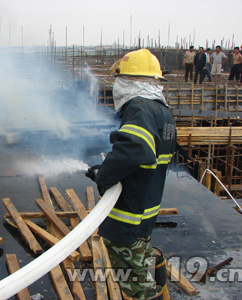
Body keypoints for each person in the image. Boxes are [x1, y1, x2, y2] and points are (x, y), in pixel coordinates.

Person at [87, 49, 176, 300]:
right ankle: (161, 287)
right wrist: (107, 169)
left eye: (118, 81)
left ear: (128, 82)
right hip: (146, 212)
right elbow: (145, 157)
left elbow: (134, 149)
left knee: (135, 284)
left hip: (128, 217)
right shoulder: (163, 112)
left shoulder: (139, 107)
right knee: (143, 258)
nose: (115, 87)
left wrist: (104, 177)